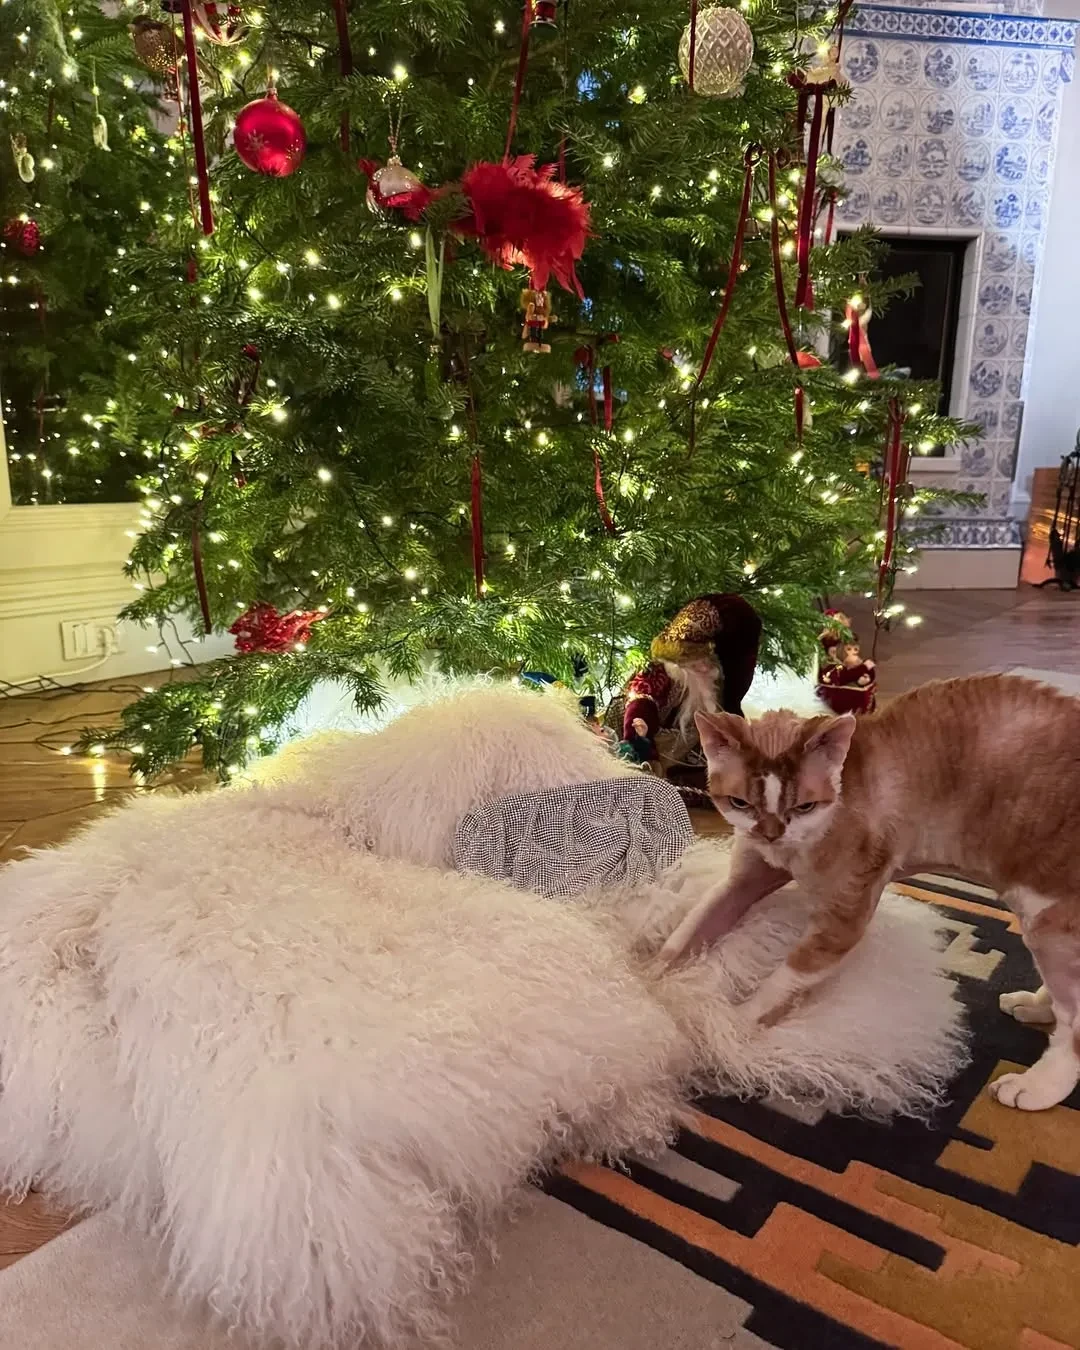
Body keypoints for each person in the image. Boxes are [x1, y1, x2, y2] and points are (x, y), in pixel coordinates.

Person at [605, 593, 762, 764]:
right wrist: (641, 746)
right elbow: (640, 702)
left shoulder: (719, 686)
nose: (704, 668)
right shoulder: (663, 672)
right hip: (644, 754)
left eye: (709, 661)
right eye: (697, 662)